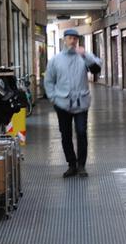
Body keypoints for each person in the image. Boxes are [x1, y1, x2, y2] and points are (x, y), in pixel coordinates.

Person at [44, 29, 102, 178]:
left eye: (75, 38)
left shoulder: (83, 57)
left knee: (82, 132)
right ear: (64, 40)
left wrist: (85, 55)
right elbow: (49, 81)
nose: (73, 41)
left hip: (81, 102)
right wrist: (53, 98)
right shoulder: (55, 60)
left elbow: (96, 69)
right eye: (70, 38)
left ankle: (81, 165)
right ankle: (72, 165)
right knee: (66, 135)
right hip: (62, 103)